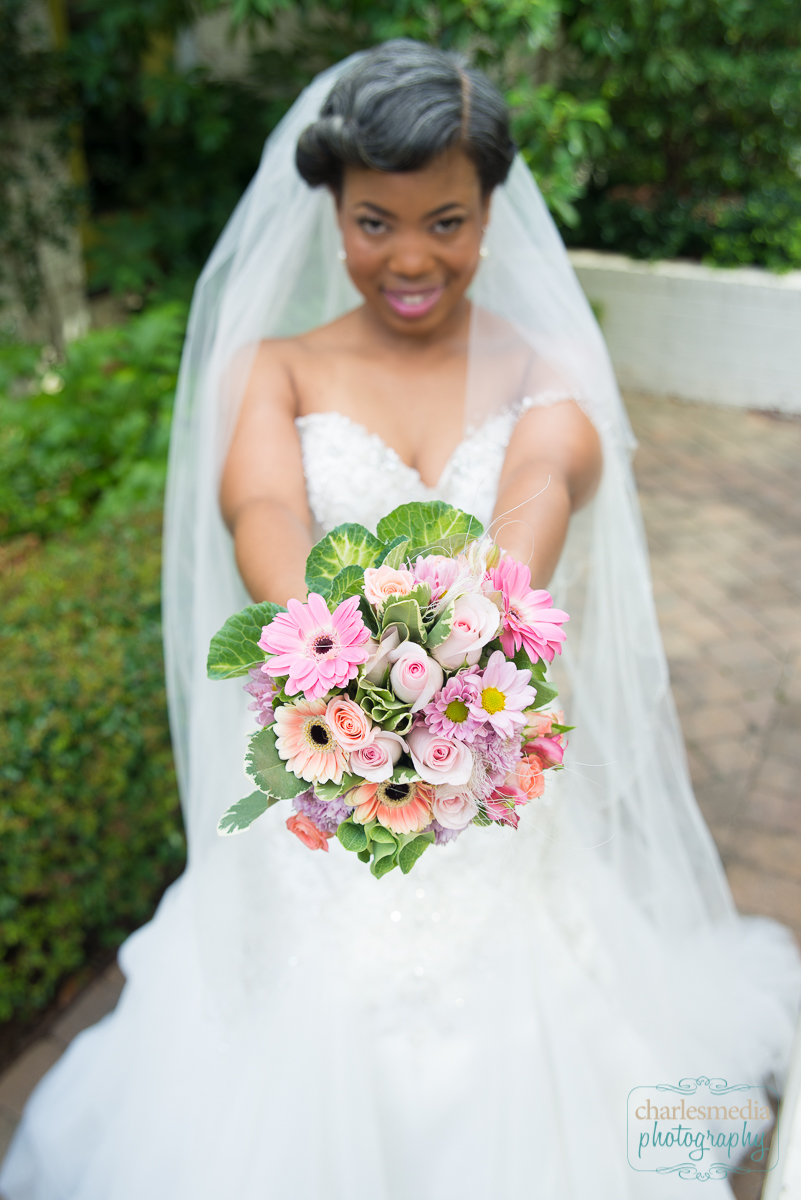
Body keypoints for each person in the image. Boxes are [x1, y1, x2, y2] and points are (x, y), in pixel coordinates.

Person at [2, 40, 799, 1200]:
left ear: (492, 214)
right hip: (318, 765)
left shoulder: (551, 368)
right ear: (332, 210)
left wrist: (457, 670)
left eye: (448, 221)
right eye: (377, 222)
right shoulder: (274, 366)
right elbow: (264, 504)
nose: (413, 258)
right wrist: (333, 672)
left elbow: (534, 505)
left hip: (492, 750)